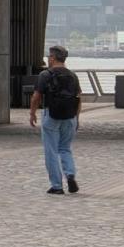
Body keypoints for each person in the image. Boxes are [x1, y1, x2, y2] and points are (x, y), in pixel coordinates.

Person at [37, 44, 84, 194]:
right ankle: (70, 175)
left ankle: (57, 186)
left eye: (49, 56)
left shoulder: (45, 75)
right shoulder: (73, 76)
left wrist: (32, 113)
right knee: (65, 148)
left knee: (51, 150)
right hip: (70, 116)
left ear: (52, 57)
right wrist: (77, 118)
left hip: (51, 115)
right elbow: (79, 97)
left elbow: (36, 96)